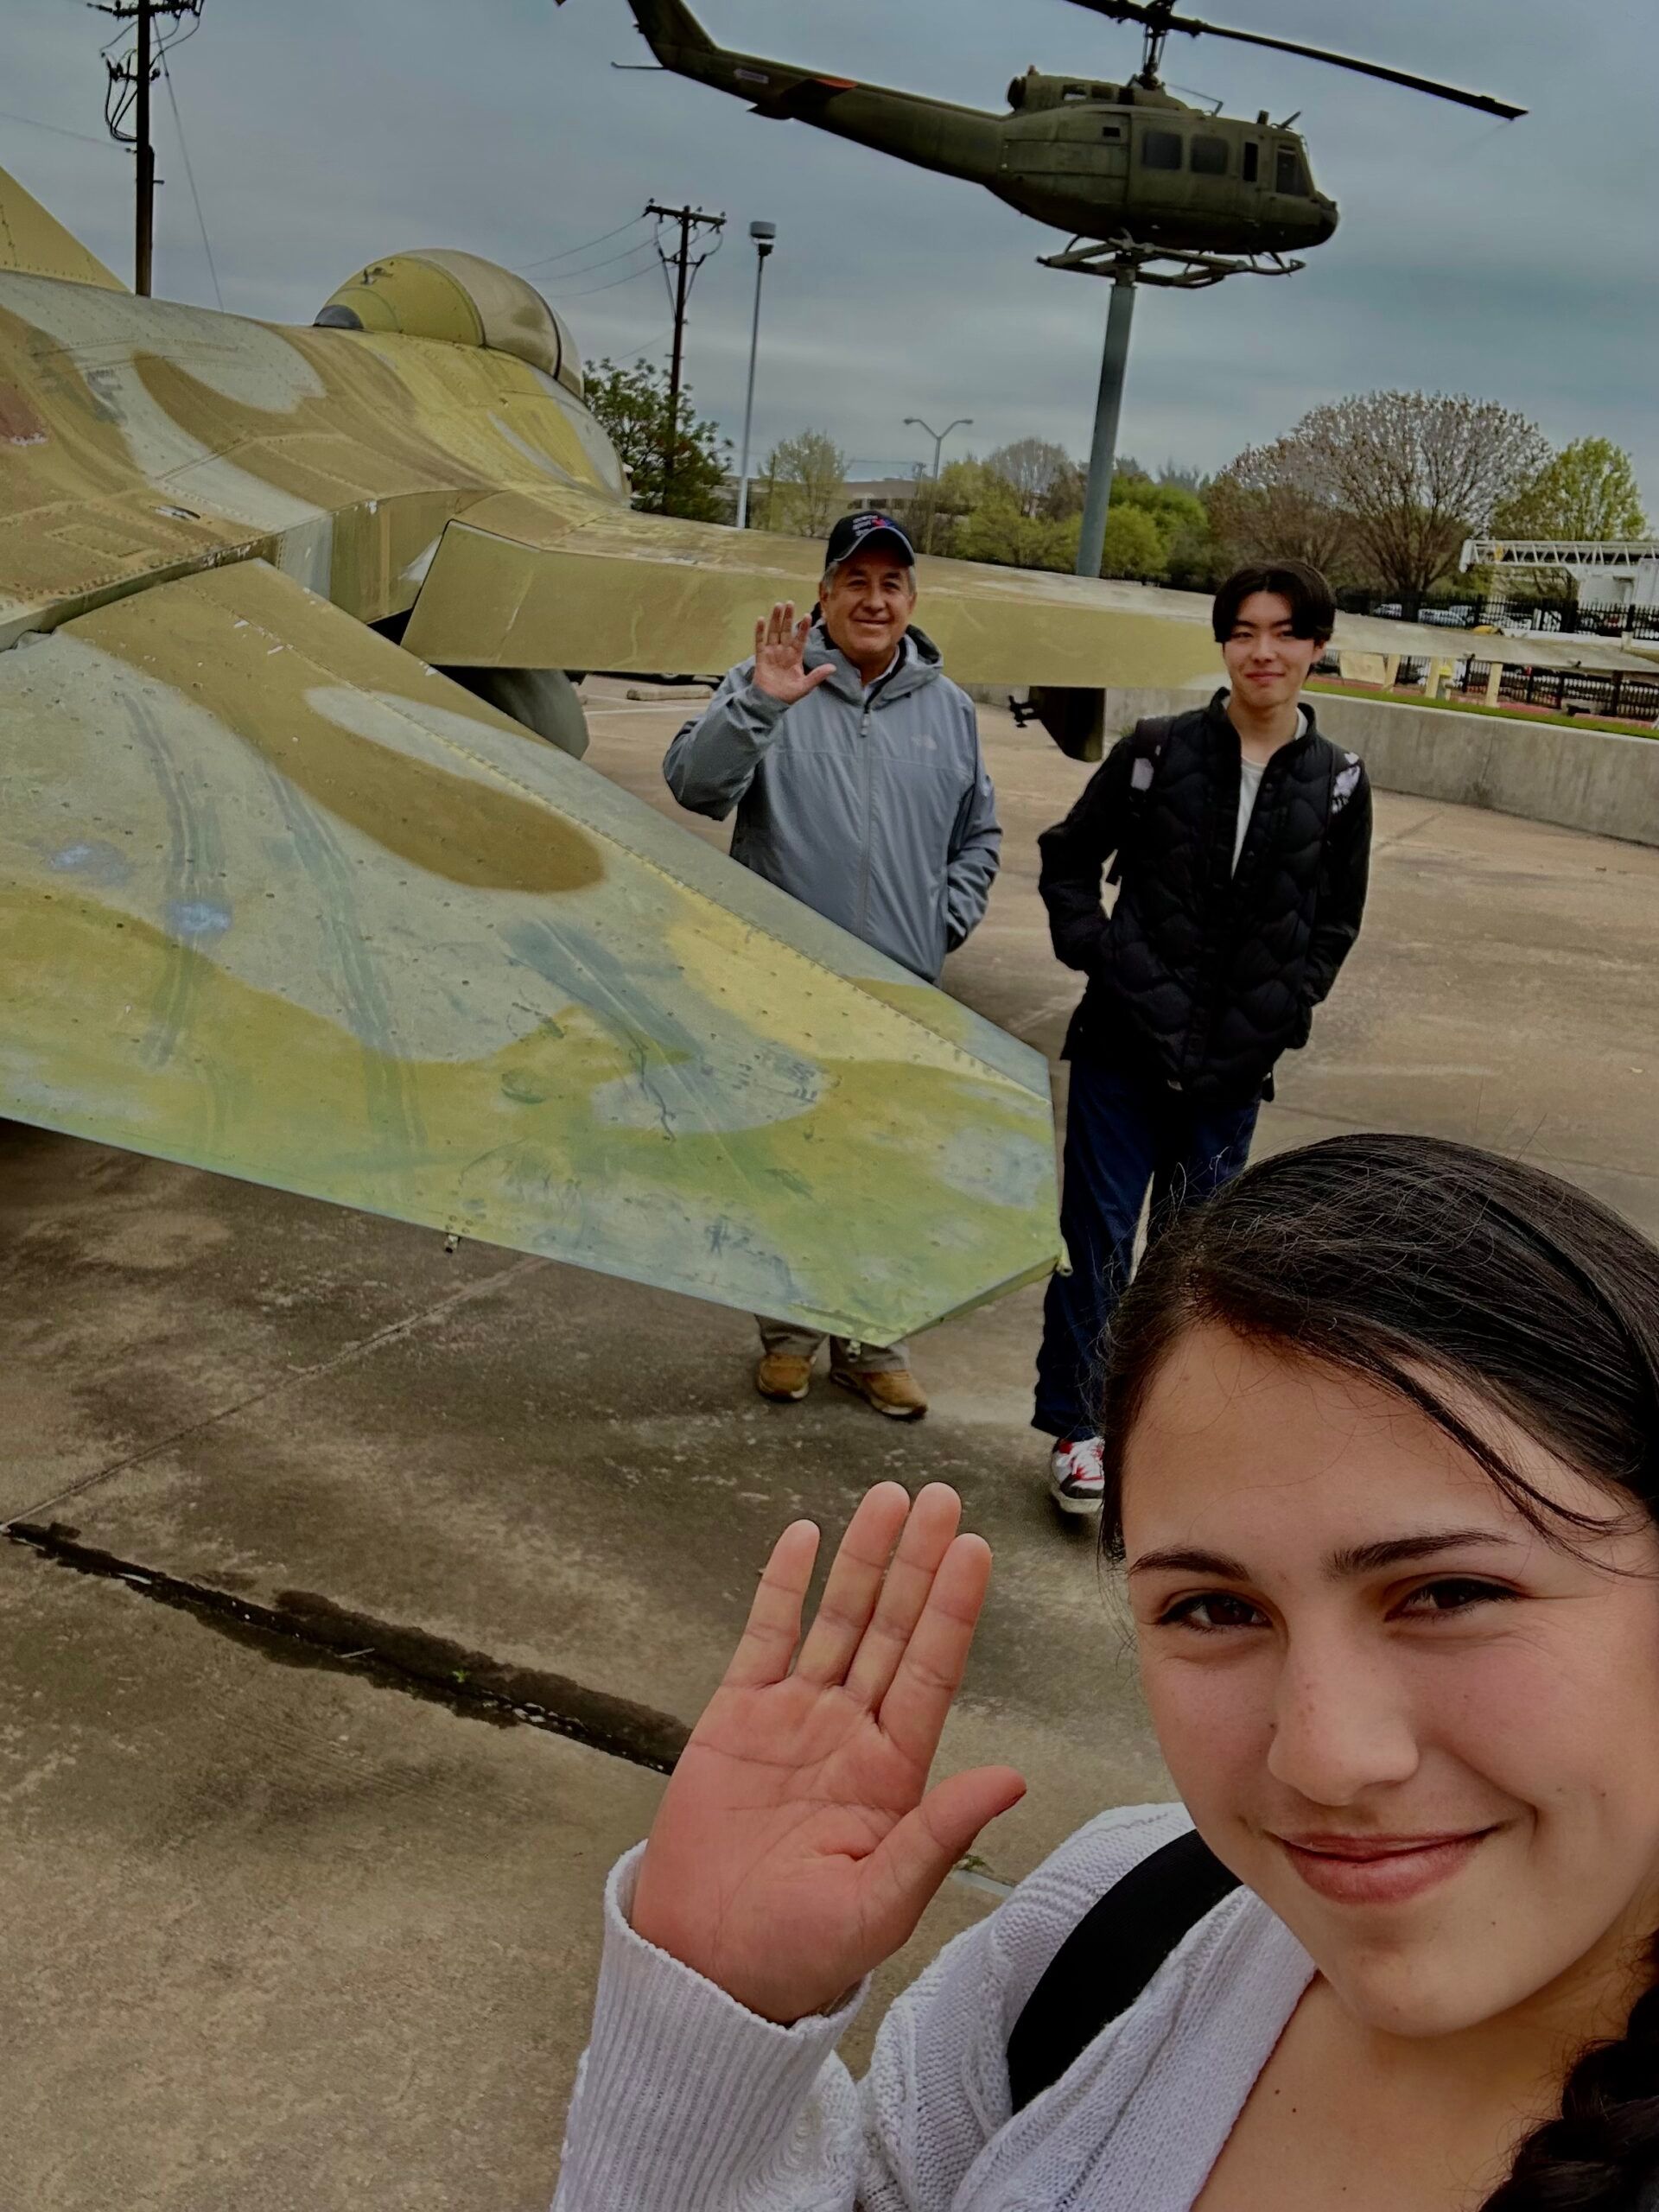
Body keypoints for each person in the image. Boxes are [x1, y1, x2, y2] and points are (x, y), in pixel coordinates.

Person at [555, 1133, 1659, 2210]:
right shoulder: (1105, 1926)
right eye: (1215, 1608)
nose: (1325, 1758)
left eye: (1450, 1593)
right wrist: (711, 2024)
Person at [1034, 559, 1371, 1515]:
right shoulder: (1156, 750)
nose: (1263, 651)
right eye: (1244, 631)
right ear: (1222, 643)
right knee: (1095, 1238)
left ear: (1315, 646)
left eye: (1285, 632)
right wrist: (1099, 952)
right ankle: (1082, 1427)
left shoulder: (1339, 784)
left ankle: (1167, 1435)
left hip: (1231, 1068)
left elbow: (1335, 921)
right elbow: (1069, 857)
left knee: (1195, 1259)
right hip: (1122, 1050)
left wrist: (1286, 1009)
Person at [664, 512, 1001, 1422]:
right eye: (855, 580)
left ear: (913, 601)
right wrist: (761, 704)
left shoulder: (950, 711)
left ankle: (872, 1340)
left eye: (891, 583)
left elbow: (981, 836)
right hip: (781, 983)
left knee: (886, 1169)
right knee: (791, 1161)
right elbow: (695, 785)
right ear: (823, 594)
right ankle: (788, 1337)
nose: (874, 598)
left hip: (897, 991)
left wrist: (942, 921)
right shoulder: (770, 681)